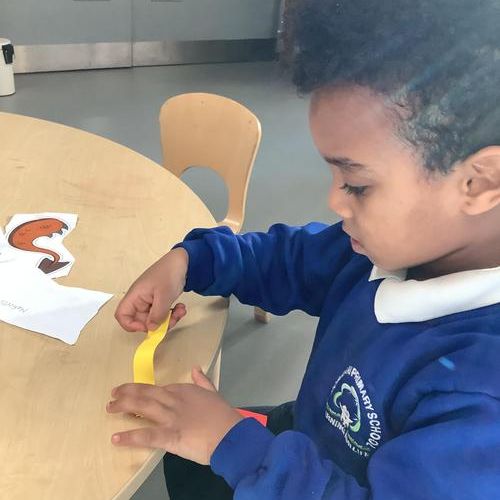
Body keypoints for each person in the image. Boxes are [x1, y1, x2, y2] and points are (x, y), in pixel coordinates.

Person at [108, 0, 500, 498]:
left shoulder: (480, 397)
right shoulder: (382, 250)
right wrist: (190, 261)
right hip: (303, 443)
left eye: (356, 184)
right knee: (182, 461)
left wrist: (234, 445)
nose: (334, 200)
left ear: (479, 181)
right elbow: (288, 259)